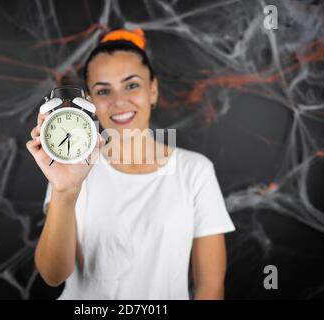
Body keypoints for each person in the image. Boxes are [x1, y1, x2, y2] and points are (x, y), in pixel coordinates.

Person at [26, 28, 235, 299]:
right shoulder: (72, 170)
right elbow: (53, 276)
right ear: (90, 103)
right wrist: (65, 192)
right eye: (103, 91)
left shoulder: (195, 171)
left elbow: (210, 286)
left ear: (153, 90)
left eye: (132, 85)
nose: (119, 101)